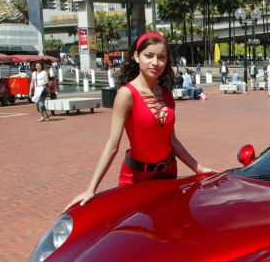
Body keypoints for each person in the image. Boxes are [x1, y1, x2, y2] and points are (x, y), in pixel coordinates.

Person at [66, 33, 215, 209]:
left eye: (161, 57)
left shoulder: (166, 93)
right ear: (137, 57)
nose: (155, 62)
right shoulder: (126, 95)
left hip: (167, 173)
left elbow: (172, 140)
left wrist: (198, 167)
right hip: (136, 177)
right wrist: (91, 188)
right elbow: (112, 145)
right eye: (149, 56)